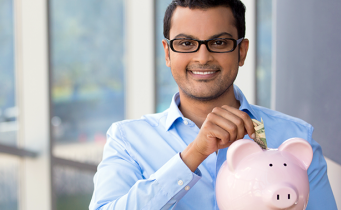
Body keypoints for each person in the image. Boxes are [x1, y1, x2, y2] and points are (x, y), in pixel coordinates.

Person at [89, 0, 337, 209]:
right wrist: (193, 155)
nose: (202, 57)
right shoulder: (127, 140)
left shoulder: (296, 136)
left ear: (241, 52)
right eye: (186, 43)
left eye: (219, 43)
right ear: (167, 53)